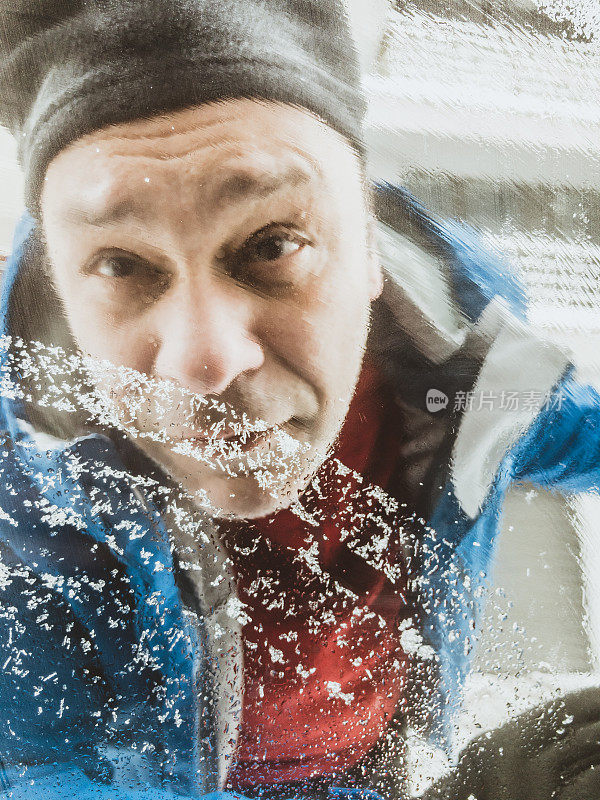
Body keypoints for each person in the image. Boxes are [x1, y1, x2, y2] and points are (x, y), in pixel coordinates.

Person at [1, 2, 600, 798]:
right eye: (120, 265)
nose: (206, 361)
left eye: (273, 244)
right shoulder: (25, 506)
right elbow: (46, 774)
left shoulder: (465, 377)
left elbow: (556, 424)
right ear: (60, 295)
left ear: (372, 252)